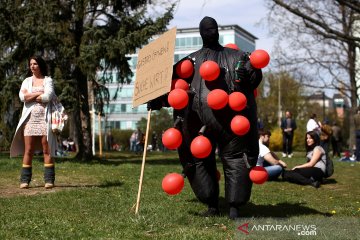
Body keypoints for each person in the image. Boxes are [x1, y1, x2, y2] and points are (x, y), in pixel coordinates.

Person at [148, 16, 262, 219]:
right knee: (199, 159)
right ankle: (212, 203)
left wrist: (251, 74)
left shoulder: (237, 57)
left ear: (217, 31)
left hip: (233, 122)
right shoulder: (189, 63)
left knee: (236, 158)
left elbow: (252, 74)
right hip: (196, 121)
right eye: (207, 29)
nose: (210, 32)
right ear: (202, 33)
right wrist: (158, 100)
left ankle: (234, 206)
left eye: (213, 29)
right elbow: (176, 90)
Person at [10, 56, 57, 189]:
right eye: (30, 64)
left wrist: (30, 95)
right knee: (28, 150)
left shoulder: (48, 80)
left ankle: (49, 180)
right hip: (29, 120)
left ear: (40, 65)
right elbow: (22, 97)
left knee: (46, 149)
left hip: (45, 120)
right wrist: (38, 94)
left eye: (35, 64)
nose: (32, 66)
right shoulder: (26, 81)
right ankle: (25, 181)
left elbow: (48, 96)